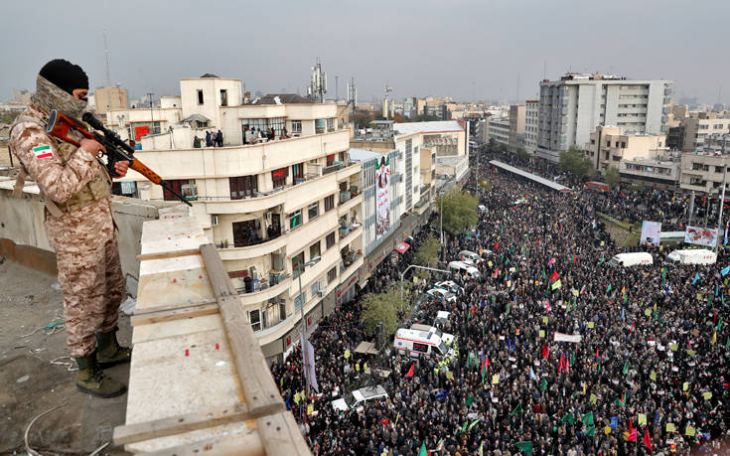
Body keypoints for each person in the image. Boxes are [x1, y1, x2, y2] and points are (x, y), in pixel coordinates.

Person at [9, 59, 132, 398]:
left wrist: (111, 170)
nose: (83, 103)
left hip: (101, 224)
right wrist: (86, 153)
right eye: (78, 95)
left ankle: (108, 350)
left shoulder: (68, 123)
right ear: (56, 91)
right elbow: (57, 187)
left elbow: (87, 173)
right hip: (75, 233)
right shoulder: (30, 131)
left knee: (110, 291)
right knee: (83, 302)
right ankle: (86, 371)